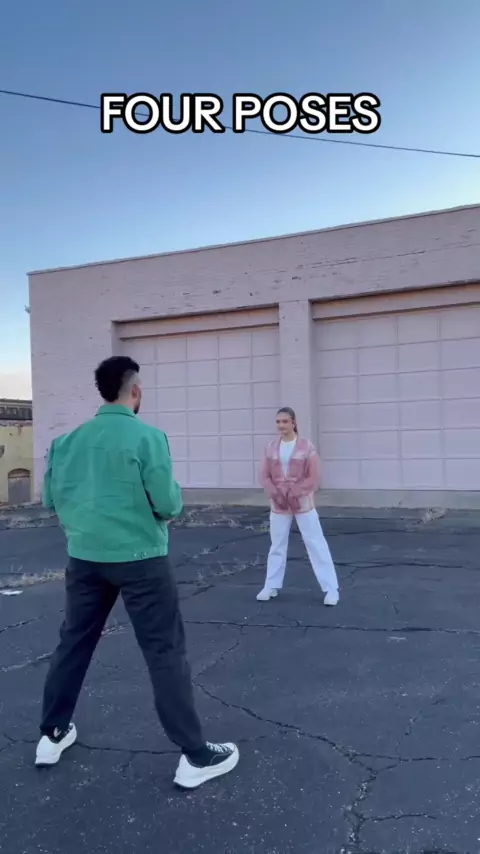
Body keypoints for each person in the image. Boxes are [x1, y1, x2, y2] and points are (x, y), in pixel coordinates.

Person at [35, 356, 239, 789]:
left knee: (73, 643)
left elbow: (50, 500)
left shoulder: (64, 442)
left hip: (85, 558)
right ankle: (195, 755)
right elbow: (168, 503)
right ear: (135, 390)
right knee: (164, 651)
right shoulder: (148, 437)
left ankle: (51, 734)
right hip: (142, 559)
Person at [257, 406, 339, 606]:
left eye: (285, 421)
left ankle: (331, 589)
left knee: (315, 543)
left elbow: (314, 476)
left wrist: (295, 491)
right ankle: (271, 585)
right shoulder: (270, 447)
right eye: (278, 422)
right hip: (279, 504)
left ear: (293, 423)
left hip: (302, 504)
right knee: (277, 545)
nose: (281, 425)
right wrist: (276, 492)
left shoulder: (306, 447)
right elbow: (264, 476)